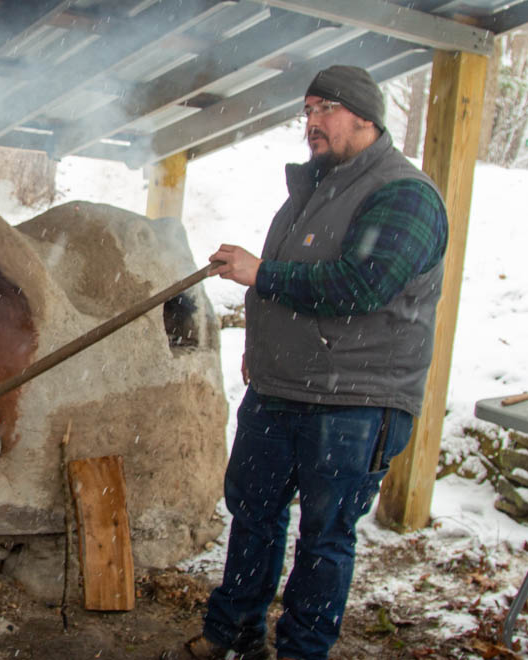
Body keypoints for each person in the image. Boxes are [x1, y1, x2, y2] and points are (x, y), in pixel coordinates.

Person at [182, 65, 449, 660]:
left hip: (355, 398)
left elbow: (363, 286)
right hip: (281, 387)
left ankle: (302, 651)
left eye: (324, 108)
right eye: (306, 111)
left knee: (324, 538)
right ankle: (233, 635)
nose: (312, 123)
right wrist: (262, 343)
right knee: (253, 514)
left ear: (365, 116)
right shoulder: (314, 190)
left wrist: (260, 272)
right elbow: (293, 285)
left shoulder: (405, 194)